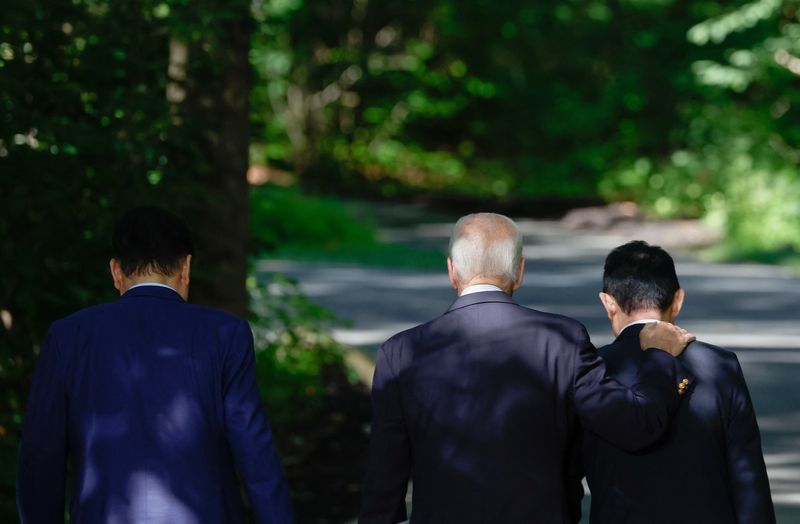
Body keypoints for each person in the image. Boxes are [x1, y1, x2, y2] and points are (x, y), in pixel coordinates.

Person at [359, 213, 694, 524]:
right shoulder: (562, 338)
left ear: (452, 271)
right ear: (520, 271)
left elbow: (384, 474)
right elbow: (632, 425)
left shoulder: (401, 352)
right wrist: (660, 357)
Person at [17, 206, 293, 524]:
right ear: (185, 267)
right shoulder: (225, 334)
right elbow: (255, 452)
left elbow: (41, 458)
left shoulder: (67, 336)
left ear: (116, 271)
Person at [583, 240, 775, 524]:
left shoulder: (590, 369)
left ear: (608, 302)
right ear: (678, 299)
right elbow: (747, 477)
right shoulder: (720, 366)